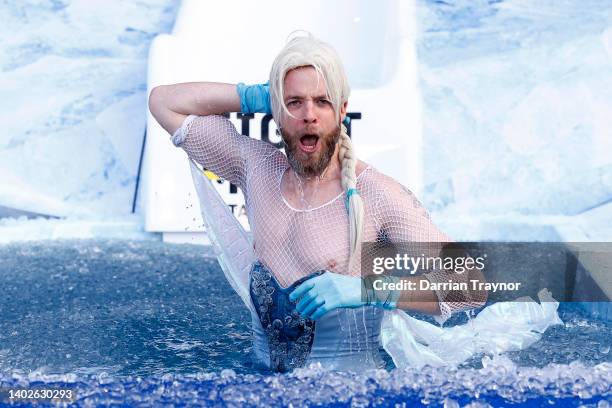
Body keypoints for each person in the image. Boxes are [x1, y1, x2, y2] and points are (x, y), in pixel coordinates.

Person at [149, 33, 486, 372]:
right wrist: (257, 96)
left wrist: (366, 290)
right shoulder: (258, 169)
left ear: (341, 110)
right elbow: (164, 102)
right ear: (276, 112)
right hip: (261, 384)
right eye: (294, 103)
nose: (309, 115)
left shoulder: (377, 195)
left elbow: (471, 286)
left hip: (350, 392)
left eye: (322, 101)